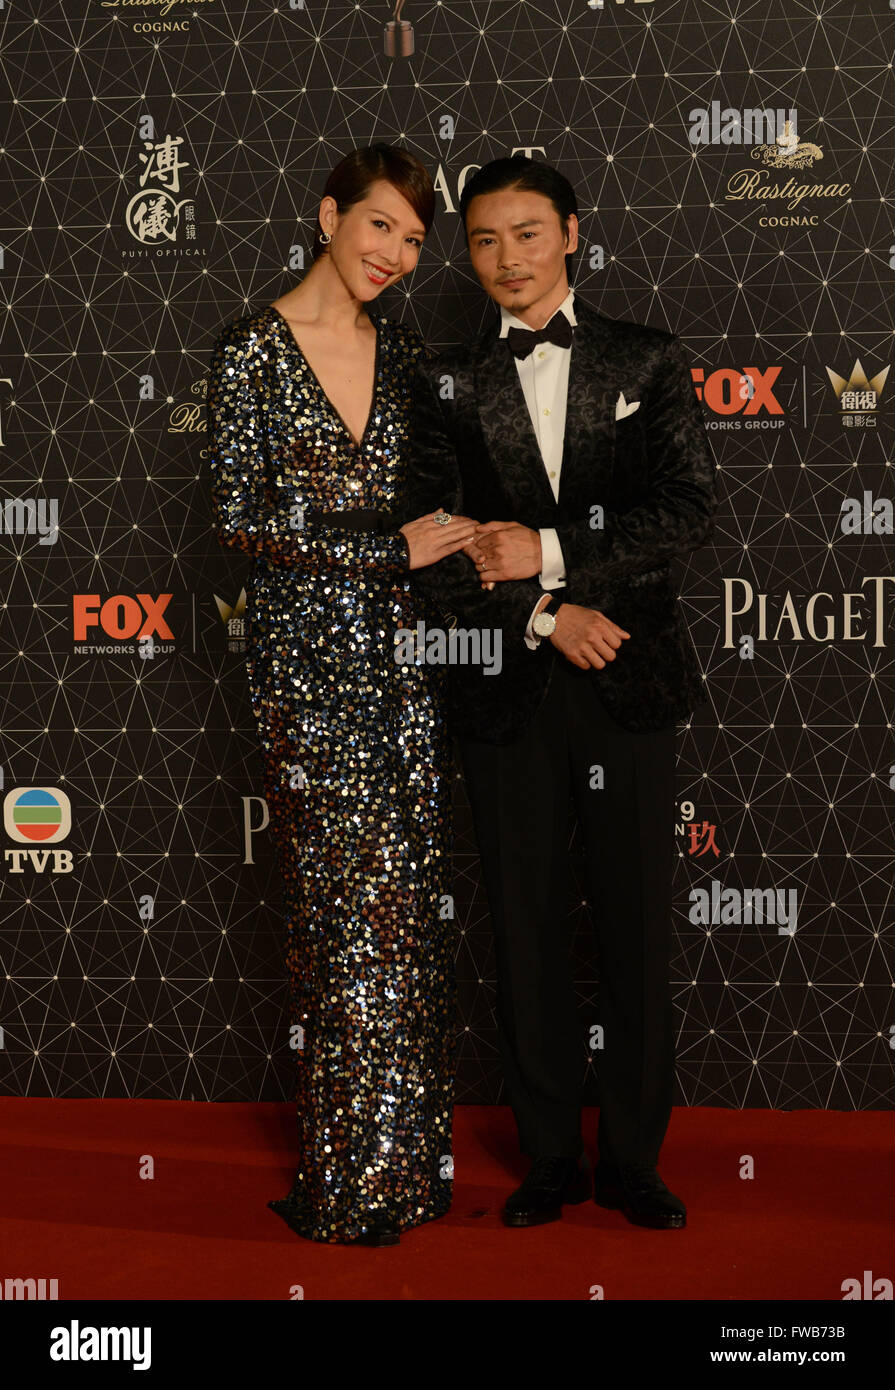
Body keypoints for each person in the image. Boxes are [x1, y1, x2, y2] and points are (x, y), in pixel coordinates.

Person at [402, 155, 718, 1230]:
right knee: (523, 930)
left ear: (572, 233)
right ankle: (547, 1156)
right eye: (483, 241)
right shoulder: (444, 383)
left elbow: (680, 512)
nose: (505, 261)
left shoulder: (648, 358)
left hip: (629, 676)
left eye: (527, 235)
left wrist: (542, 555)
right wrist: (544, 615)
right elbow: (437, 556)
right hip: (506, 689)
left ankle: (632, 1158)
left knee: (634, 931)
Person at [205, 144, 478, 1246]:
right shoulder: (252, 350)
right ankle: (351, 1178)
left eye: (415, 241)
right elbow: (240, 519)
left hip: (403, 662)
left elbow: (430, 497)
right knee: (344, 916)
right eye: (380, 228)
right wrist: (383, 555)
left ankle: (406, 1168)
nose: (396, 256)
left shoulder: (402, 344)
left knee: (401, 908)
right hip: (309, 671)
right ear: (328, 216)